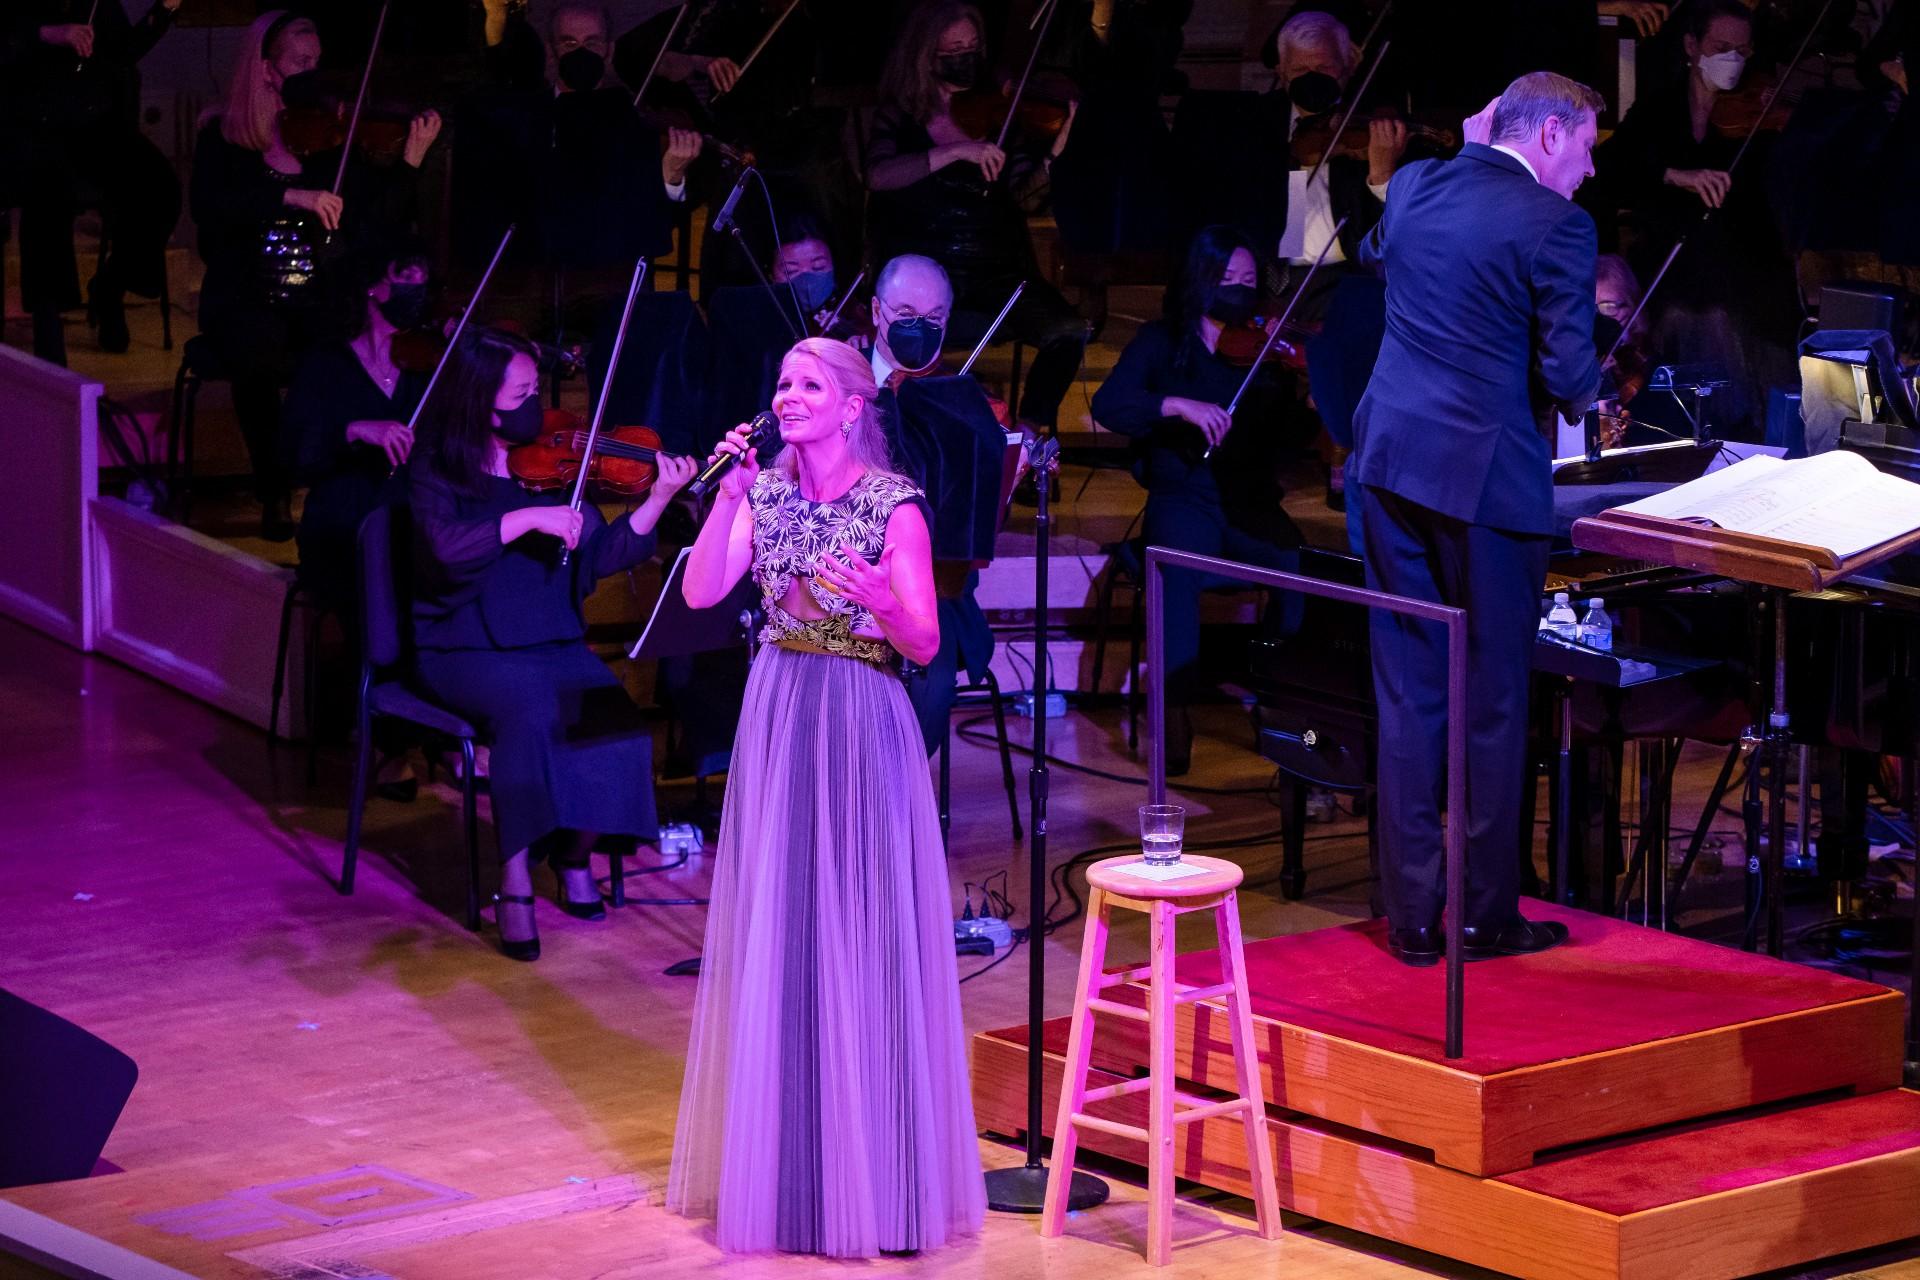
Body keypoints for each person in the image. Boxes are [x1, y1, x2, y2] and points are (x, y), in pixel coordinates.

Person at [668, 337, 985, 1257]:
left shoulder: (895, 506)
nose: (789, 396)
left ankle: (880, 1181)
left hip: (859, 716)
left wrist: (884, 600)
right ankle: (796, 1178)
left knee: (864, 930)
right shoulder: (761, 491)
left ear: (852, 407)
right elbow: (700, 589)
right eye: (782, 382)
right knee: (788, 931)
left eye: (810, 384)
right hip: (779, 707)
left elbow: (925, 644)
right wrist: (728, 492)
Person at [1351, 72, 1604, 966]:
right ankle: (1485, 916)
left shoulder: (1418, 182)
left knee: (1410, 694)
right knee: (1492, 704)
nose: (1588, 171)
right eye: (1584, 150)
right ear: (1547, 138)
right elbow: (1572, 381)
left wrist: (1464, 146)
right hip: (1488, 487)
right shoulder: (1559, 227)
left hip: (1386, 468)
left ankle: (1413, 918)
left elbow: (1381, 247)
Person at [409, 327, 696, 960]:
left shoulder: (551, 472)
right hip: (463, 647)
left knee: (615, 720)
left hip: (546, 640)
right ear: (483, 401)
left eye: (537, 390)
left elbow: (600, 555)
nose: (538, 406)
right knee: (532, 712)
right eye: (522, 392)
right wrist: (522, 520)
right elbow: (442, 550)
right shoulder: (436, 471)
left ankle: (573, 855)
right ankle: (514, 882)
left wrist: (657, 498)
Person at [191, 10, 441, 539]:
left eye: (318, 63)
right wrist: (289, 195)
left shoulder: (329, 140)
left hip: (317, 295)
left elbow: (372, 222)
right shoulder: (225, 136)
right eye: (301, 62)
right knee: (256, 351)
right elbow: (210, 209)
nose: (314, 73)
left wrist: (408, 166)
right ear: (265, 68)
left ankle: (343, 479)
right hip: (245, 293)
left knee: (348, 341)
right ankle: (274, 488)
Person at [1090, 226, 1303, 774]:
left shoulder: (1265, 352)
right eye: (1226, 278)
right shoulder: (1162, 342)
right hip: (1183, 496)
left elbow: (1294, 440)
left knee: (1301, 570)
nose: (1238, 288)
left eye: (1248, 280)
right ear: (1201, 279)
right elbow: (1112, 405)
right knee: (1178, 569)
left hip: (1245, 503)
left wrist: (1299, 382)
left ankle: (1279, 701)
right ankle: (1174, 715)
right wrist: (1175, 404)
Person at [867, 1, 1090, 434]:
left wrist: (1055, 153)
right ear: (925, 54)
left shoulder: (1003, 112)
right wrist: (954, 151)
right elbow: (878, 174)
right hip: (928, 275)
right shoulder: (901, 114)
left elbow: (1028, 201)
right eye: (953, 50)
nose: (965, 58)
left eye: (972, 47)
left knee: (1067, 329)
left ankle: (1027, 437)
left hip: (996, 273)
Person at [6, 0, 182, 365]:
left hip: (92, 126)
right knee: (48, 193)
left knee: (159, 185)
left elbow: (121, 52)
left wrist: (162, 11)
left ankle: (111, 285)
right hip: (31, 124)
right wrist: (47, 33)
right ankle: (48, 326)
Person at [284, 246, 432, 609]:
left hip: (411, 519)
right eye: (406, 276)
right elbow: (292, 455)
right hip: (343, 520)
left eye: (423, 281)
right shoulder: (327, 363)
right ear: (373, 285)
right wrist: (353, 430)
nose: (417, 289)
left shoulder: (426, 361)